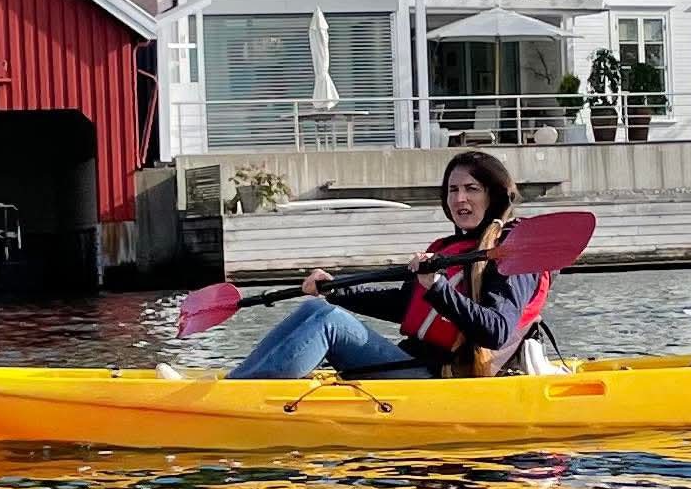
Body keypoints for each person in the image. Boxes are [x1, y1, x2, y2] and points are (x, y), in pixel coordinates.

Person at [230, 149, 558, 380]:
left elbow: (498, 331)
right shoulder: (455, 249)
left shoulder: (513, 253)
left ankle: (244, 397)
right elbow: (407, 305)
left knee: (328, 322)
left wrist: (439, 288)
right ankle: (238, 384)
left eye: (472, 189)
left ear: (494, 196)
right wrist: (335, 289)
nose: (460, 199)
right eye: (453, 190)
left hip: (442, 377)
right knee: (316, 309)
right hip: (413, 362)